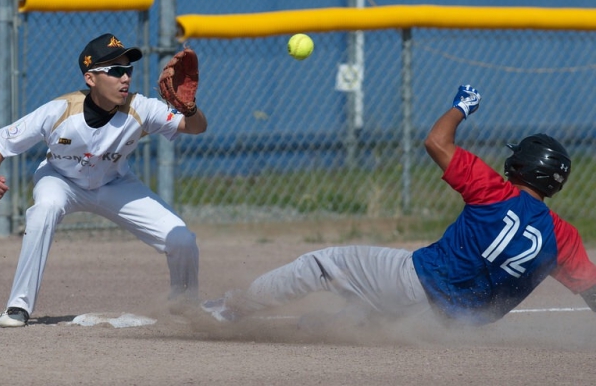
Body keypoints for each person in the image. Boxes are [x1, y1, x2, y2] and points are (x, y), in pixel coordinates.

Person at [201, 85, 596, 328]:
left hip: (418, 282)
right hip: (457, 324)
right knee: (349, 322)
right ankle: (331, 328)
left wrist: (463, 105)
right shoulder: (564, 239)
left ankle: (231, 309)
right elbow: (592, 292)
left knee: (320, 265)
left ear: (520, 167)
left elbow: (436, 142)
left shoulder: (494, 190)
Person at [0, 33, 208, 327]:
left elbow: (195, 128)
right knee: (44, 209)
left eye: (128, 70)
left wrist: (189, 108)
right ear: (90, 78)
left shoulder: (141, 108)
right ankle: (18, 306)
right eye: (115, 71)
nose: (125, 78)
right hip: (61, 181)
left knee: (182, 238)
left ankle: (184, 304)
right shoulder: (59, 111)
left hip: (115, 184)